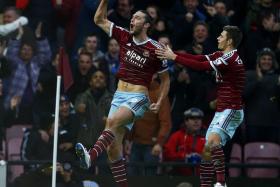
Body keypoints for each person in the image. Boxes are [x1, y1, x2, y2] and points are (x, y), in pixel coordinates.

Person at [75, 1, 170, 187]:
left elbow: (166, 80)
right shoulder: (123, 36)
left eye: (137, 18)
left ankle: (90, 156)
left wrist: (159, 101)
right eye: (132, 17)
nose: (132, 20)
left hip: (138, 98)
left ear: (147, 25)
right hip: (119, 95)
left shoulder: (156, 49)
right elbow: (99, 19)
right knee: (112, 149)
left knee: (111, 123)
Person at [156, 25, 244, 187]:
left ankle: (220, 183)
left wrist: (174, 57)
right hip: (222, 110)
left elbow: (201, 67)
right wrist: (174, 54)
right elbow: (200, 59)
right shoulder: (222, 54)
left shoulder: (230, 59)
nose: (218, 38)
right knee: (207, 149)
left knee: (212, 143)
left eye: (221, 36)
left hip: (231, 109)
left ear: (229, 41)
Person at [163, 107, 205, 176]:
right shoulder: (177, 136)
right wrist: (184, 157)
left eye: (199, 118)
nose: (196, 121)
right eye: (192, 118)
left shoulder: (208, 137)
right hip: (180, 176)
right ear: (186, 121)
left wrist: (202, 157)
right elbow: (167, 154)